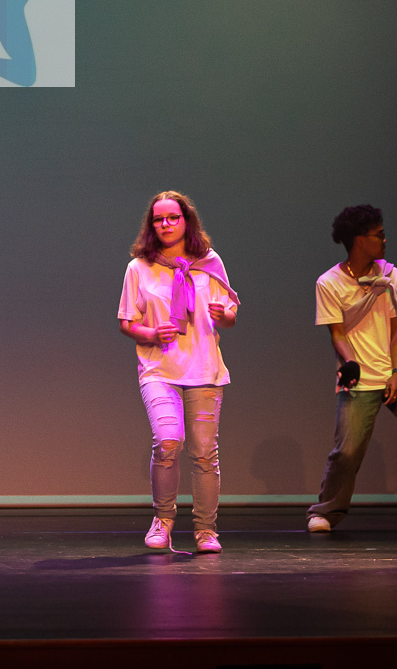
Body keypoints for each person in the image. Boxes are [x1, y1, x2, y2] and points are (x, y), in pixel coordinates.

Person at [307, 205, 397, 533]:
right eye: (379, 235)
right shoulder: (328, 283)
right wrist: (350, 364)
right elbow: (337, 333)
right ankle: (326, 511)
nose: (385, 240)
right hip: (359, 377)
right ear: (360, 240)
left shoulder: (391, 275)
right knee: (347, 452)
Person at [116, 190, 239, 553]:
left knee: (204, 454)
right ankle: (163, 520)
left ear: (187, 221)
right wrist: (152, 333)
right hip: (159, 368)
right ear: (151, 225)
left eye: (173, 217)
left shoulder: (209, 262)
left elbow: (230, 312)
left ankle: (206, 530)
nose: (166, 224)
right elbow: (127, 321)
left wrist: (225, 315)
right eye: (159, 219)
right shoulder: (139, 267)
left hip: (203, 368)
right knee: (168, 441)